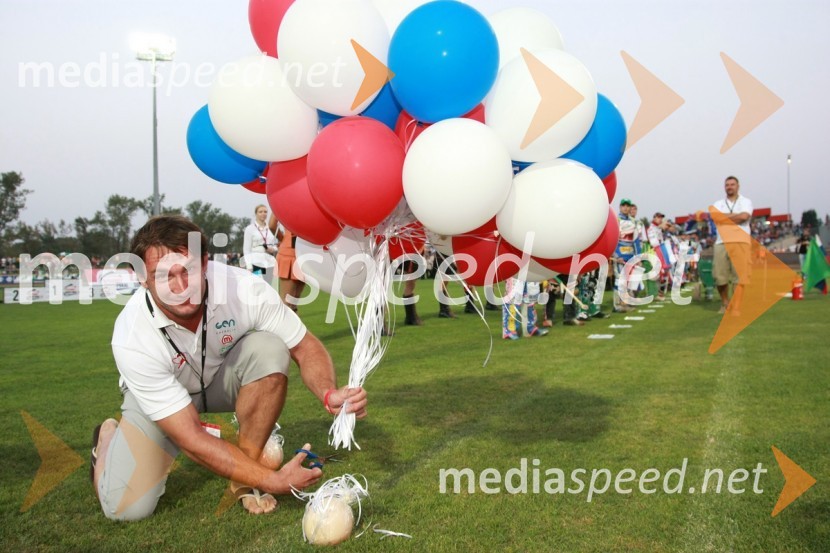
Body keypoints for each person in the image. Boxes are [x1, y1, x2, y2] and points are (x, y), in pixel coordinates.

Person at [91, 216, 367, 521]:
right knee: (127, 509)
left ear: (206, 262)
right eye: (163, 276)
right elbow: (191, 438)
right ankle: (106, 441)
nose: (180, 287)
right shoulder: (132, 335)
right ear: (141, 277)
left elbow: (305, 345)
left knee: (270, 348)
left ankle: (244, 479)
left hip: (220, 377)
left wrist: (329, 394)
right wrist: (273, 480)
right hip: (161, 400)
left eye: (189, 271)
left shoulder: (243, 288)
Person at [711, 175, 753, 314]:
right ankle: (725, 302)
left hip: (741, 241)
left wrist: (725, 218)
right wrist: (735, 216)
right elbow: (716, 218)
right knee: (719, 276)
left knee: (739, 276)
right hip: (722, 241)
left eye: (732, 184)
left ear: (738, 186)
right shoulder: (718, 204)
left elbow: (744, 217)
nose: (729, 187)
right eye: (727, 185)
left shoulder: (746, 201)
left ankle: (736, 306)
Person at [269, 215, 306, 313]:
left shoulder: (282, 199)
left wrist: (284, 239)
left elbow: (272, 225)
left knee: (290, 302)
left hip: (293, 250)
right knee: (290, 302)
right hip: (303, 250)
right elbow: (272, 225)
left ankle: (295, 327)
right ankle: (282, 327)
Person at [242, 205, 278, 277]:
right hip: (256, 263)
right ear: (256, 214)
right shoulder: (250, 229)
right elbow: (246, 249)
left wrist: (273, 249)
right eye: (260, 212)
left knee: (268, 286)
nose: (263, 214)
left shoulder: (270, 228)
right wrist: (249, 266)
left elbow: (276, 245)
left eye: (265, 212)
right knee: (258, 285)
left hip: (270, 263)